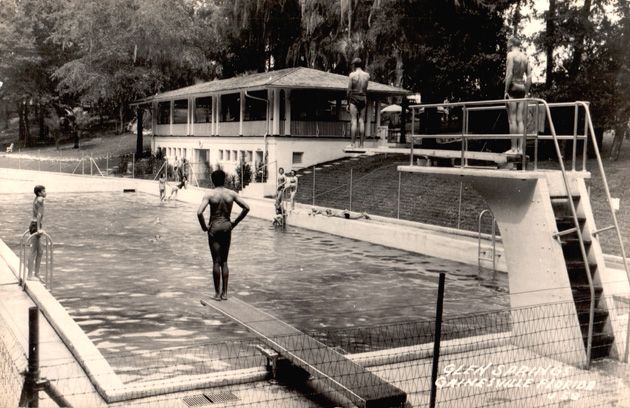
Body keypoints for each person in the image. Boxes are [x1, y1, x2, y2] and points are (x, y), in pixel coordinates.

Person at [197, 170, 250, 301]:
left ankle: (217, 294)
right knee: (224, 262)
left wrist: (204, 227)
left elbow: (199, 213)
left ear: (212, 180)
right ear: (225, 180)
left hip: (214, 227)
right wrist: (235, 223)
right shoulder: (231, 194)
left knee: (216, 261)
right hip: (227, 227)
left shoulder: (209, 194)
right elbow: (246, 207)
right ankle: (225, 293)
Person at [504, 36, 532, 154]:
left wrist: (505, 90)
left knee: (512, 120)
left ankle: (514, 148)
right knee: (520, 120)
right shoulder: (525, 57)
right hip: (521, 88)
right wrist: (526, 91)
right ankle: (521, 149)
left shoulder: (510, 55)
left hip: (513, 88)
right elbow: (529, 77)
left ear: (511, 44)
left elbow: (509, 74)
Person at [348, 57, 370, 148]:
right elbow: (366, 88)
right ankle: (361, 145)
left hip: (354, 97)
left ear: (354, 65)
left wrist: (348, 103)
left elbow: (349, 90)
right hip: (363, 97)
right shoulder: (367, 75)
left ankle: (353, 144)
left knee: (354, 121)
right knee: (361, 121)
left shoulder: (352, 75)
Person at [27, 185, 46, 280]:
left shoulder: (36, 199)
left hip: (34, 224)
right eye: (43, 191)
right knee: (33, 251)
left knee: (40, 251)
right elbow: (39, 215)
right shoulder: (40, 200)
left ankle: (36, 274)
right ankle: (30, 275)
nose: (45, 193)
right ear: (39, 193)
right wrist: (39, 228)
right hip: (35, 225)